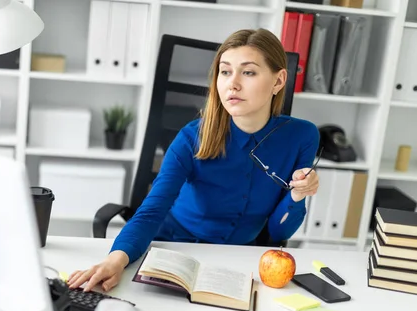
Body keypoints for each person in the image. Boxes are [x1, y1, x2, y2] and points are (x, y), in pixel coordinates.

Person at [69, 28, 320, 292]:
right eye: (225, 71)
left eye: (248, 72)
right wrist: (115, 260)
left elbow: (279, 234)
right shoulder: (192, 137)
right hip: (175, 251)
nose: (232, 84)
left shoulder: (302, 136)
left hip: (239, 262)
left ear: (279, 81)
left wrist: (297, 195)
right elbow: (152, 210)